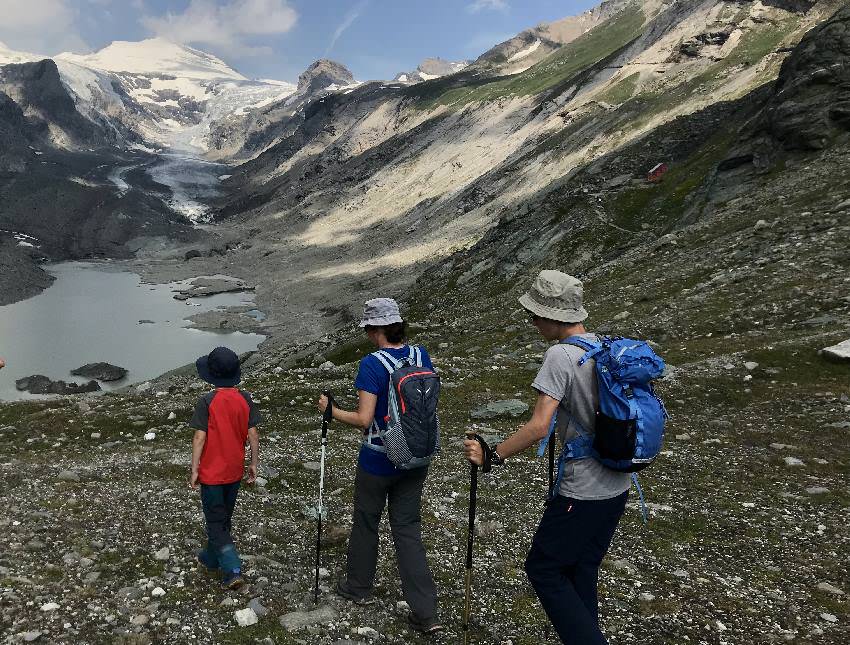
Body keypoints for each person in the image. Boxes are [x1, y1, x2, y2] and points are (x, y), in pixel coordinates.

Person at [463, 270, 630, 644]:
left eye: (535, 315)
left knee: (544, 569)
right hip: (617, 484)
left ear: (554, 316)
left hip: (581, 489)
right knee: (581, 569)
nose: (533, 323)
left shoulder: (560, 355)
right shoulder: (602, 346)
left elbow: (540, 426)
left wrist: (493, 455)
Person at [318, 297, 441, 635]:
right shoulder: (420, 355)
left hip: (379, 458)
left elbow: (363, 419)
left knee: (366, 520)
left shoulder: (372, 364)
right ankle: (425, 611)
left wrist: (330, 411)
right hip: (416, 457)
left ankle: (358, 587)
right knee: (408, 528)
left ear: (377, 329)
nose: (368, 335)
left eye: (369, 329)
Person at [189, 346, 261, 590]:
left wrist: (195, 469)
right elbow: (253, 434)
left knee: (215, 520)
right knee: (222, 517)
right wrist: (253, 463)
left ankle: (232, 568)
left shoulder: (207, 401)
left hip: (212, 474)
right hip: (233, 472)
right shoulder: (245, 399)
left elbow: (199, 438)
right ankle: (210, 558)